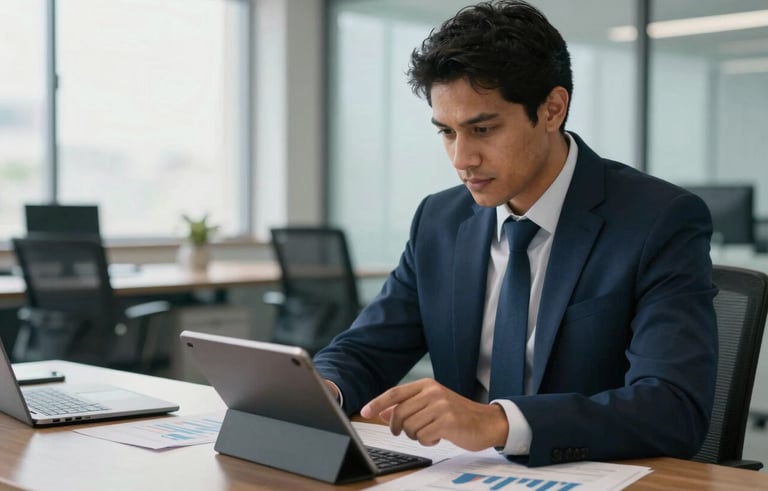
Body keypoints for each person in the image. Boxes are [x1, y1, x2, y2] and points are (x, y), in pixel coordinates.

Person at [313, 0, 717, 467]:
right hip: (460, 476)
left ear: (552, 109)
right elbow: (365, 350)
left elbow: (672, 408)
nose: (461, 158)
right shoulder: (439, 221)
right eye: (446, 132)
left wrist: (499, 423)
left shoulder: (658, 220)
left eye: (482, 129)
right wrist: (326, 388)